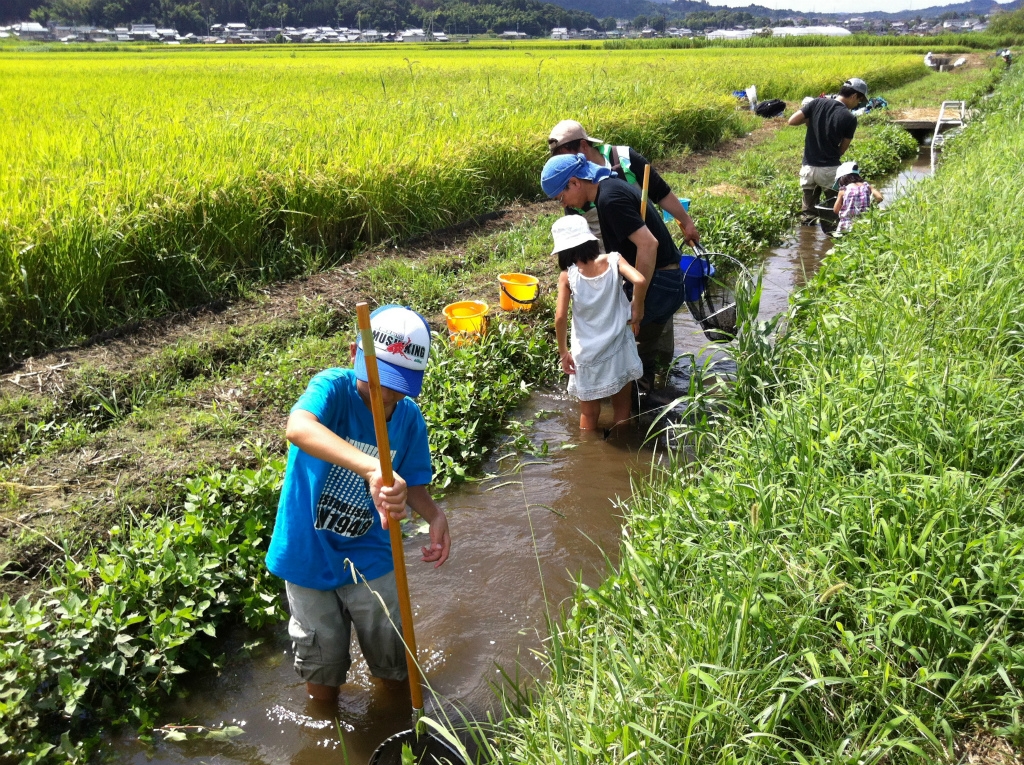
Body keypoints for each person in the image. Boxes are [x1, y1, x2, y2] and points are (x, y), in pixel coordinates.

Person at [265, 304, 452, 705]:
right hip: (308, 555)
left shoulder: (408, 418)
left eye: (398, 386)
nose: (386, 396)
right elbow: (298, 427)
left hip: (373, 556)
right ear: (354, 354)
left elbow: (413, 482)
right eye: (379, 380)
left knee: (394, 661)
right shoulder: (332, 390)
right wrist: (371, 469)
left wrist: (434, 514)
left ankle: (397, 719)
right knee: (322, 665)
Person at [541, 153, 700, 391]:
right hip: (663, 280)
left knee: (628, 358)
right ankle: (651, 396)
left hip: (660, 283)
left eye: (561, 197)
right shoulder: (611, 187)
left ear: (575, 182)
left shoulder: (610, 200)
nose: (563, 204)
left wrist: (638, 301)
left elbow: (648, 245)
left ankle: (639, 416)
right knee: (642, 353)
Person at [552, 215, 646, 431]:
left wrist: (563, 352)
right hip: (618, 346)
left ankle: (587, 454)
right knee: (622, 408)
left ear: (564, 251)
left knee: (589, 413)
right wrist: (636, 310)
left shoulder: (568, 276)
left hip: (586, 354)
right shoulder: (613, 260)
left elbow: (560, 318)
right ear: (590, 240)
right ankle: (623, 447)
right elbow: (639, 280)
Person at [547, 119, 701, 247]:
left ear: (584, 145)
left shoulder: (623, 157)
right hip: (613, 265)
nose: (563, 165)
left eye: (565, 157)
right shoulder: (571, 184)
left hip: (650, 249)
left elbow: (660, 192)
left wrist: (687, 223)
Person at [788, 78, 868, 221]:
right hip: (829, 171)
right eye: (859, 101)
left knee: (808, 213)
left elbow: (792, 121)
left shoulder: (816, 102)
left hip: (808, 168)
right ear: (854, 96)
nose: (857, 105)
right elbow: (842, 149)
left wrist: (809, 121)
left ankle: (807, 237)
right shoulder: (849, 118)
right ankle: (831, 239)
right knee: (833, 211)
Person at [832, 160, 883, 234]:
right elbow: (879, 198)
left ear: (843, 178)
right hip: (864, 223)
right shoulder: (867, 186)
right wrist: (871, 205)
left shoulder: (843, 190)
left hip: (846, 225)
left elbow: (836, 210)